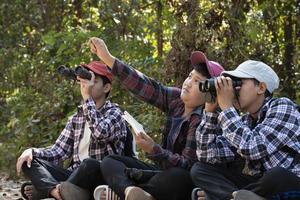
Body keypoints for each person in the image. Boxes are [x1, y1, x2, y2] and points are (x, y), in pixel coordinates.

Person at [88, 37, 224, 200]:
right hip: (160, 174)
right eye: (189, 77)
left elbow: (188, 166)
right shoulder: (176, 99)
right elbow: (144, 85)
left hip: (179, 180)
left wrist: (154, 150)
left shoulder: (205, 118)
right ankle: (130, 191)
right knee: (110, 161)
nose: (187, 83)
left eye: (197, 82)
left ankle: (129, 192)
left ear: (210, 93)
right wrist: (107, 58)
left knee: (177, 177)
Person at [16, 61, 128, 200]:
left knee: (89, 163)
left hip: (100, 177)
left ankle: (45, 191)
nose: (87, 84)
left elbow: (100, 132)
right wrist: (32, 151)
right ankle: (55, 191)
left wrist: (87, 98)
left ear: (106, 87)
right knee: (29, 161)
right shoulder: (76, 118)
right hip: (74, 176)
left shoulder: (115, 113)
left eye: (93, 81)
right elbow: (58, 151)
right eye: (86, 80)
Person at [190, 60, 300, 200]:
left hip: (289, 182)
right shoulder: (244, 121)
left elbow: (253, 148)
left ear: (260, 88)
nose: (233, 90)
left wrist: (227, 108)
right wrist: (210, 113)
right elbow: (208, 157)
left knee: (276, 175)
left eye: (238, 83)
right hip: (260, 188)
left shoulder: (283, 107)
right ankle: (236, 197)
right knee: (200, 169)